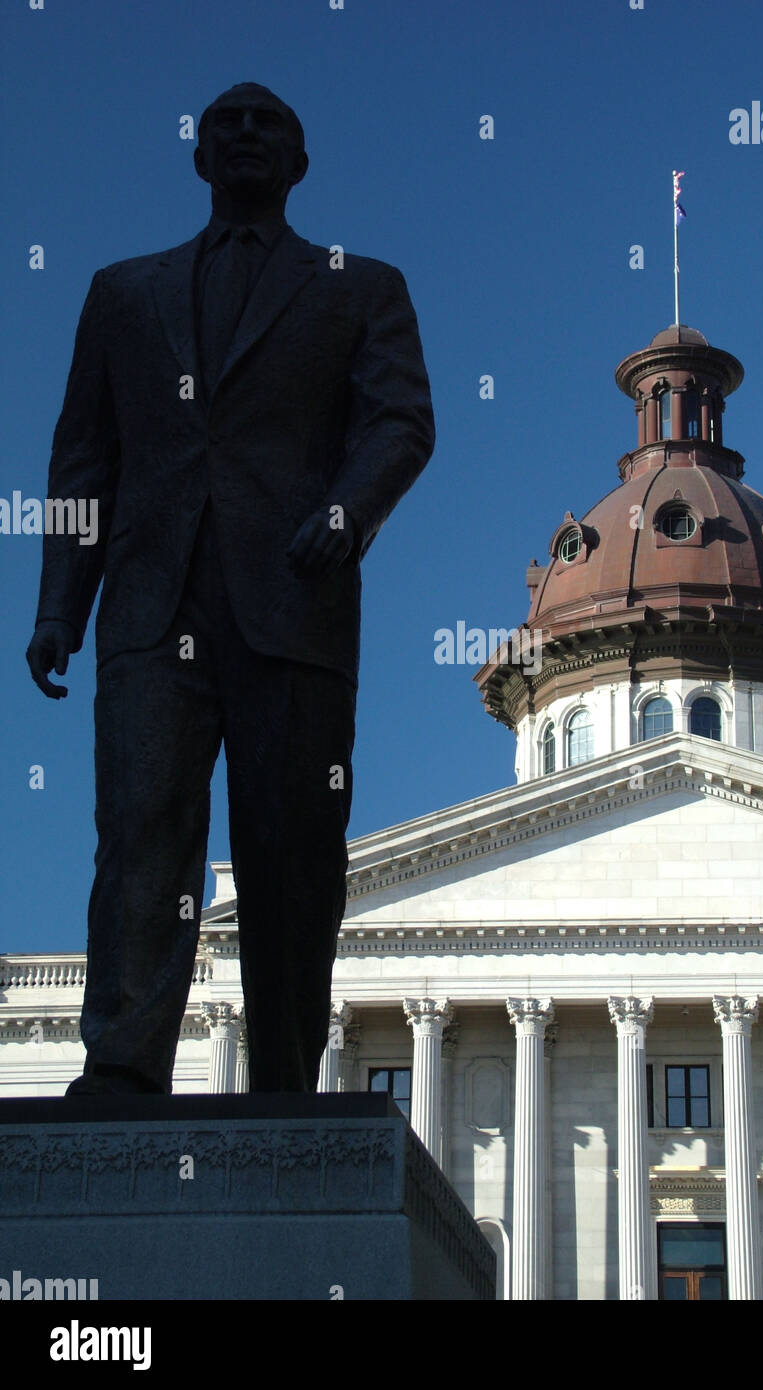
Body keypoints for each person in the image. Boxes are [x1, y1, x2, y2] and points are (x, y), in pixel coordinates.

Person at [25, 83, 435, 1095]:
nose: (245, 135)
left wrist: (345, 512)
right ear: (198, 157)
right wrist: (57, 605)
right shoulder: (123, 292)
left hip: (294, 597)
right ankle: (121, 1064)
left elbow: (400, 422)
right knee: (139, 835)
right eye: (225, 124)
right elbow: (82, 459)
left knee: (292, 850)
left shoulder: (358, 286)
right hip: (150, 604)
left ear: (300, 163)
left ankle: (288, 1076)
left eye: (269, 125)